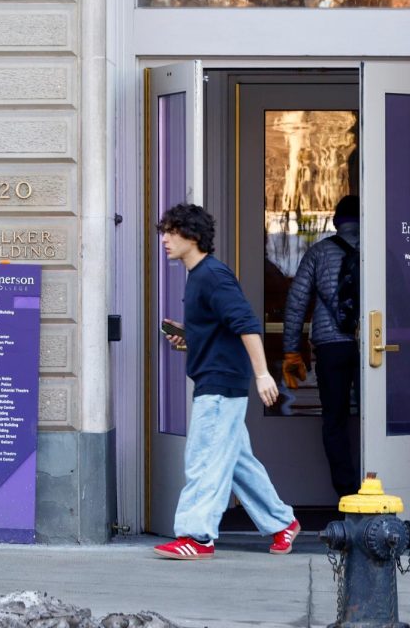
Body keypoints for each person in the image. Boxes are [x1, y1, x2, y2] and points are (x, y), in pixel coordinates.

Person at [152, 203, 299, 561]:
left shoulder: (212, 276)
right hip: (217, 378)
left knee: (204, 458)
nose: (165, 239)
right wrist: (191, 336)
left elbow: (247, 324)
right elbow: (222, 328)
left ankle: (197, 536)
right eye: (165, 232)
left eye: (172, 232)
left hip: (220, 385)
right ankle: (282, 523)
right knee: (235, 461)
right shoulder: (200, 276)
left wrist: (264, 374)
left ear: (193, 236)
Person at [281, 195, 361, 498]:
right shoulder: (379, 249)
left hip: (331, 348)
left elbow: (296, 304)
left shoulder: (318, 253)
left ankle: (347, 494)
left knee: (335, 421)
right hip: (372, 347)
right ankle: (376, 487)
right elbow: (403, 298)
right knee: (376, 419)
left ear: (335, 222)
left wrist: (291, 351)